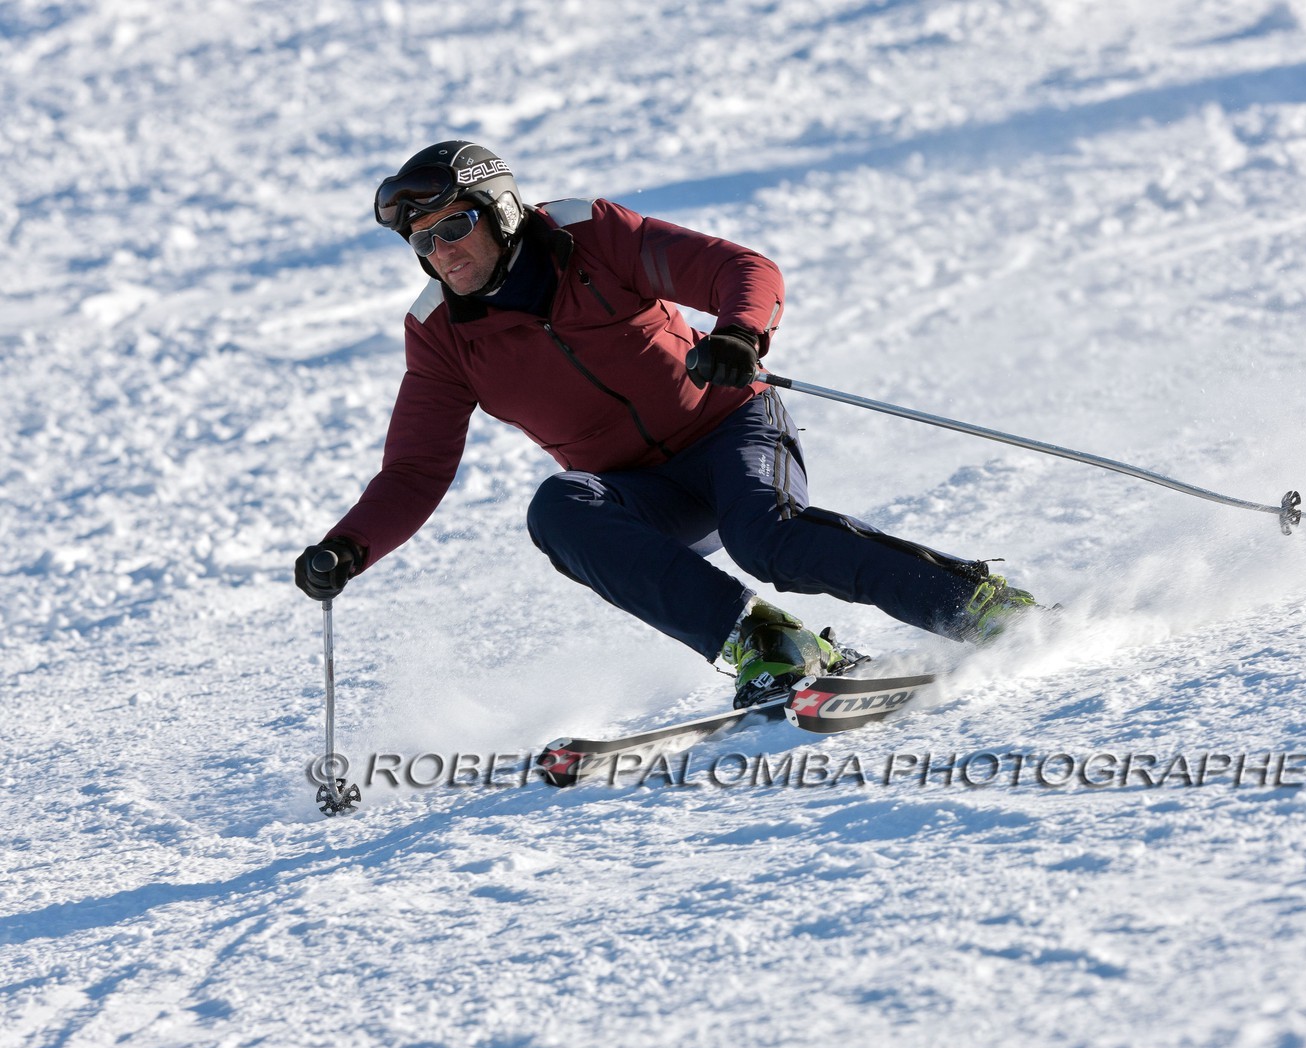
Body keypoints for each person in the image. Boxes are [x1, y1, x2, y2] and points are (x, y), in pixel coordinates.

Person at [295, 140, 1038, 707]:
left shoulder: (592, 235)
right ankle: (769, 643)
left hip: (729, 428)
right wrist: (349, 547)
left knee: (766, 538)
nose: (443, 252)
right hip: (644, 493)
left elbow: (742, 270)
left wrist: (739, 336)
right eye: (423, 241)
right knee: (558, 507)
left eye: (454, 224)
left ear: (501, 210)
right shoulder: (440, 332)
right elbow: (416, 470)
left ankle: (978, 605)